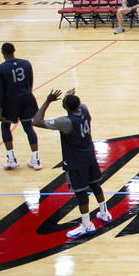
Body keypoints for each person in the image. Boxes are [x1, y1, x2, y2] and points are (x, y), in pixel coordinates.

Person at [31, 88, 112, 238]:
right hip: (89, 155)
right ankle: (104, 213)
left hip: (76, 161)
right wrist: (69, 97)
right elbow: (77, 105)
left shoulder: (65, 122)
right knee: (95, 184)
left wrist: (48, 101)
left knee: (81, 193)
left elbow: (36, 121)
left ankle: (87, 225)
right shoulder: (85, 110)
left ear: (66, 107)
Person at [0, 42, 41, 171]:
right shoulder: (26, 63)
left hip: (10, 103)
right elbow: (30, 82)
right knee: (28, 127)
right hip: (27, 99)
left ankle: (11, 159)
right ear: (14, 50)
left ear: (2, 53)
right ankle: (36, 160)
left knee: (5, 126)